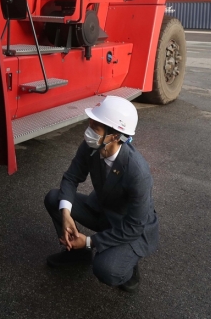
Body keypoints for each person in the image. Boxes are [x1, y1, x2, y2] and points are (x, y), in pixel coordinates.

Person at [43, 96, 159, 293]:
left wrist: (89, 241)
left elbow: (133, 226)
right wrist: (66, 215)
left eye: (95, 127)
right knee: (55, 199)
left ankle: (128, 265)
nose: (88, 132)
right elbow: (71, 178)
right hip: (102, 209)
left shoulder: (137, 172)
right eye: (90, 124)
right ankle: (77, 255)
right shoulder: (92, 146)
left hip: (129, 226)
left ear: (114, 135)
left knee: (107, 270)